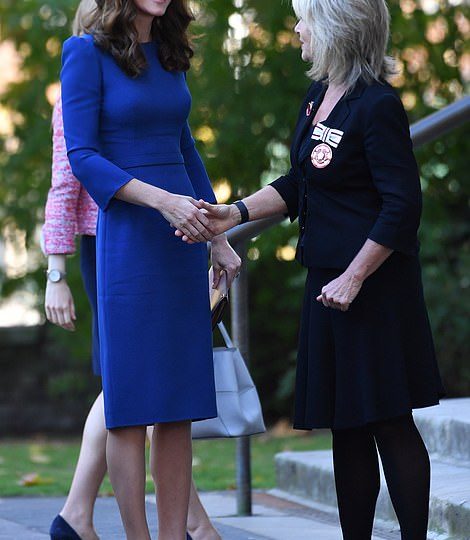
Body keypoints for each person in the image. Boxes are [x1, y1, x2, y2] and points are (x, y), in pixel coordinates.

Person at [177, 1, 445, 538]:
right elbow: (299, 182)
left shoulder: (378, 106)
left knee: (390, 421)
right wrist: (235, 213)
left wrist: (355, 275)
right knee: (346, 425)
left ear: (335, 28)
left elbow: (402, 207)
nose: (296, 29)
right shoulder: (317, 100)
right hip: (327, 285)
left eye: (304, 19)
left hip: (374, 291)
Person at [59, 0, 240, 538]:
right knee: (131, 404)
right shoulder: (83, 54)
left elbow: (184, 147)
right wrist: (163, 202)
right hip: (131, 242)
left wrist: (219, 236)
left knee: (178, 403)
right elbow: (82, 156)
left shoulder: (170, 49)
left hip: (183, 236)